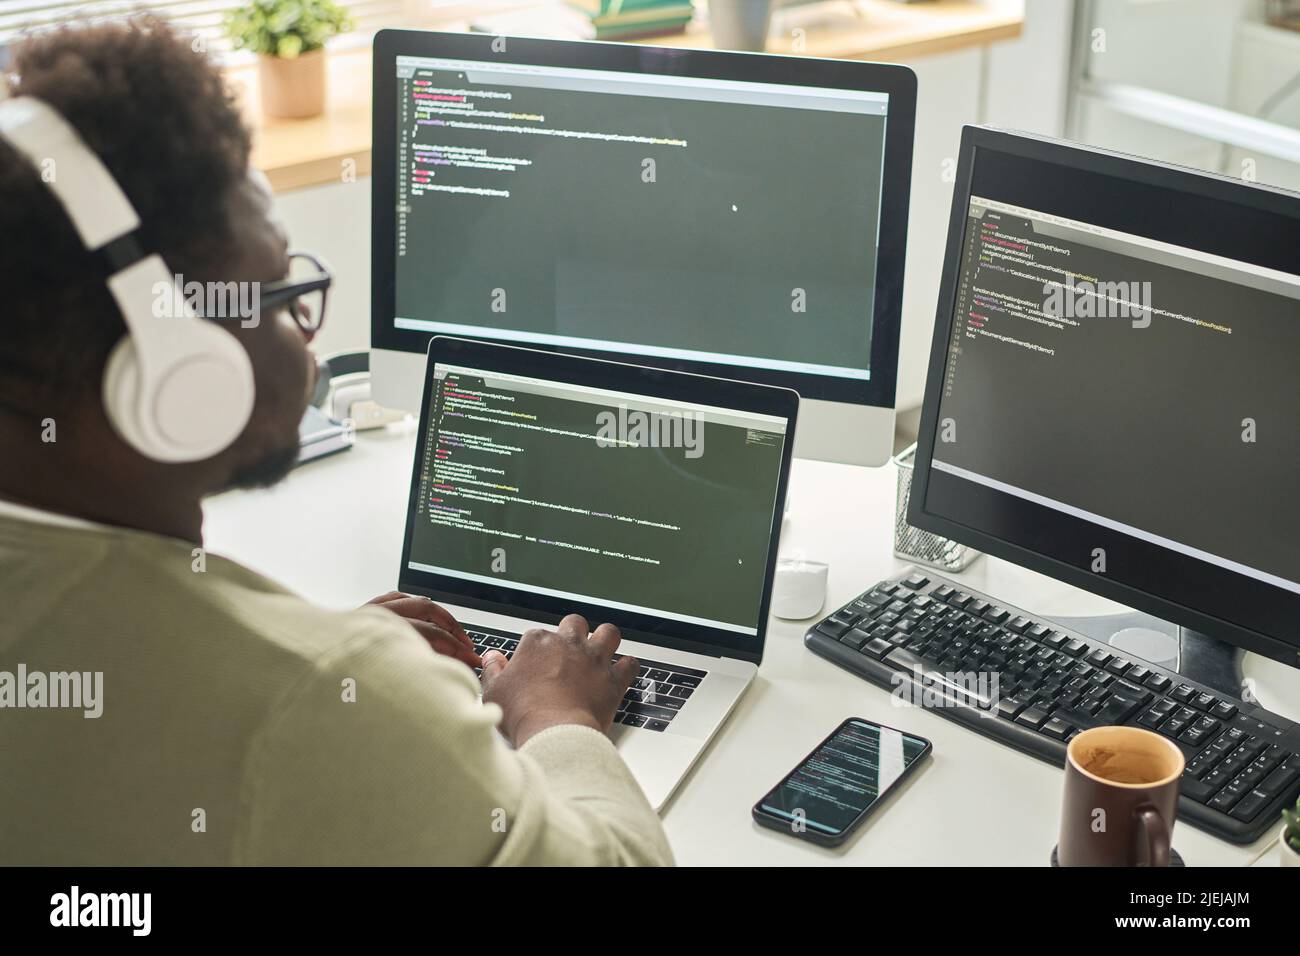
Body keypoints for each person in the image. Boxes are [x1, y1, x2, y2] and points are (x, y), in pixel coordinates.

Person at [0, 17, 672, 866]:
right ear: (176, 369)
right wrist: (557, 717)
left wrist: (308, 667)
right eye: (282, 288)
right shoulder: (320, 698)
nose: (304, 333)